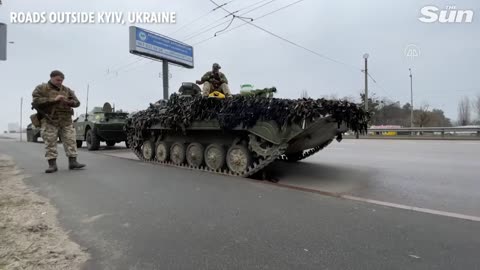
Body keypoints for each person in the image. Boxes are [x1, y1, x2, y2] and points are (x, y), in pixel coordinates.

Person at [32, 70, 86, 173]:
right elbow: (36, 101)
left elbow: (77, 103)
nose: (60, 82)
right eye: (57, 80)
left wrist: (68, 102)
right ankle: (52, 165)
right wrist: (54, 100)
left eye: (61, 80)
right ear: (51, 78)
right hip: (50, 120)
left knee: (71, 141)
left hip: (66, 120)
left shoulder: (67, 90)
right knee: (50, 142)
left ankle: (73, 162)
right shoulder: (41, 88)